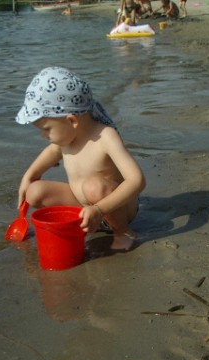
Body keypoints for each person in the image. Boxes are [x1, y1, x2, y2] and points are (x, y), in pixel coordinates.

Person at [15, 67, 146, 251]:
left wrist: (99, 210)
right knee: (34, 192)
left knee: (94, 187)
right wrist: (29, 175)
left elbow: (137, 181)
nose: (43, 135)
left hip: (115, 208)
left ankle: (123, 232)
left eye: (46, 129)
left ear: (72, 120)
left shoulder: (104, 137)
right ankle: (82, 222)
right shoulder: (67, 137)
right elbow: (52, 152)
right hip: (86, 209)